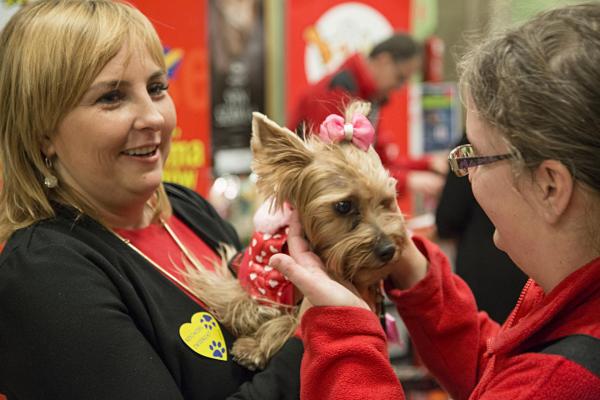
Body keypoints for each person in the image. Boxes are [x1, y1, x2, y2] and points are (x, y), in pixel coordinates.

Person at [271, 3, 600, 399]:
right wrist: (416, 275)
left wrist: (343, 330)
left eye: (474, 156)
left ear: (550, 186)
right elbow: (497, 371)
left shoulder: (560, 380)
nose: (465, 172)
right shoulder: (565, 303)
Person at [0, 1, 302, 399]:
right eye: (111, 97)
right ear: (42, 133)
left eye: (157, 88)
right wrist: (314, 335)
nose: (154, 117)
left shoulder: (185, 209)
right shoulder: (44, 273)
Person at [288, 32, 447, 199]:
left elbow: (380, 159)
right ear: (384, 60)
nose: (400, 88)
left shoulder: (369, 97)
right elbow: (340, 168)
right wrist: (409, 180)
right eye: (400, 78)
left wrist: (428, 164)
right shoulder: (337, 93)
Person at [436, 134, 527, 323]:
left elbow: (447, 219)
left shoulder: (478, 138)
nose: (471, 177)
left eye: (478, 162)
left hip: (485, 280)